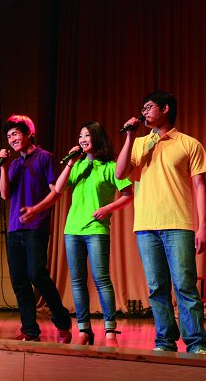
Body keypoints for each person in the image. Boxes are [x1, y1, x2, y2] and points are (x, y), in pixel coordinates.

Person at [115, 91, 206, 354]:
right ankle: (165, 341)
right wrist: (130, 137)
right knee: (157, 288)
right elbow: (120, 173)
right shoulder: (138, 143)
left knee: (185, 285)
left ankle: (196, 343)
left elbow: (200, 186)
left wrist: (203, 226)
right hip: (146, 226)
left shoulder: (189, 143)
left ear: (165, 108)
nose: (144, 112)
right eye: (143, 108)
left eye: (149, 107)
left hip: (178, 223)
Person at [54, 121, 133, 346]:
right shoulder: (77, 165)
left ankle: (110, 331)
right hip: (72, 230)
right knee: (77, 282)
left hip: (97, 230)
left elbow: (128, 194)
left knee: (101, 279)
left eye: (87, 135)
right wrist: (70, 163)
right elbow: (58, 188)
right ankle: (84, 330)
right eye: (80, 136)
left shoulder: (110, 167)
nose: (82, 139)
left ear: (97, 137)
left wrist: (107, 209)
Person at [0, 114, 72, 343]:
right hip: (14, 228)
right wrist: (3, 167)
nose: (12, 139)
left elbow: (55, 191)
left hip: (35, 226)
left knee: (37, 274)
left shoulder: (45, 158)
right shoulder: (14, 164)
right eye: (9, 136)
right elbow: (4, 194)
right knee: (19, 281)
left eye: (15, 134)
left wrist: (36, 210)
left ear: (29, 133)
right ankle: (30, 330)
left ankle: (62, 322)